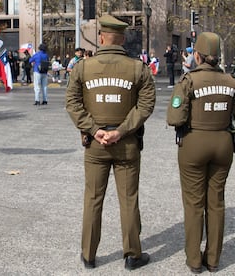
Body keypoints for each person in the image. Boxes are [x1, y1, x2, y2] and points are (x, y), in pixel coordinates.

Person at [66, 14, 156, 271]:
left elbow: (72, 103)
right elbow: (146, 104)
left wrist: (94, 130)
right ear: (123, 38)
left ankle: (89, 254)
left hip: (95, 145)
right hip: (126, 144)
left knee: (93, 198)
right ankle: (132, 255)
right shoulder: (137, 68)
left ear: (101, 38)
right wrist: (123, 130)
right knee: (129, 199)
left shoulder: (83, 67)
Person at [166, 32, 235, 273]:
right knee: (216, 202)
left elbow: (175, 117)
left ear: (197, 55)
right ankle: (213, 259)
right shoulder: (231, 81)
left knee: (193, 204)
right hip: (223, 142)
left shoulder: (188, 80)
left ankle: (194, 259)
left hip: (194, 142)